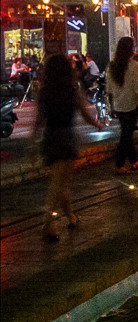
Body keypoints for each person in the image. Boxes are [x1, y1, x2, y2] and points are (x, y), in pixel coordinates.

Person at [35, 53, 104, 239]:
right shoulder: (71, 89)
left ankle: (71, 216)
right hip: (65, 136)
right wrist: (97, 125)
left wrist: (32, 142)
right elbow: (84, 112)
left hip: (50, 136)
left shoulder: (44, 91)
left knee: (59, 180)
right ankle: (48, 223)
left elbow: (38, 120)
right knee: (59, 182)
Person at [105, 36, 138, 175]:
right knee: (126, 135)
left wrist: (111, 106)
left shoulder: (111, 66)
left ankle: (134, 161)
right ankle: (119, 164)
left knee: (127, 132)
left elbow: (108, 90)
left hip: (118, 105)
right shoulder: (134, 66)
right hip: (131, 105)